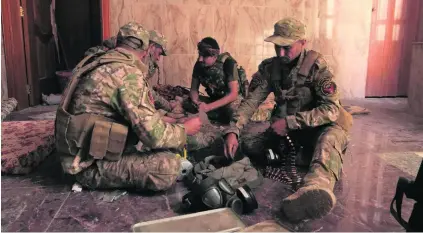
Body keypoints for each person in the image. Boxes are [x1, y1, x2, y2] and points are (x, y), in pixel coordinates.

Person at [55, 22, 214, 192]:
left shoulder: (100, 61)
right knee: (168, 166)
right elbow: (153, 136)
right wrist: (184, 130)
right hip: (86, 165)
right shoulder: (127, 73)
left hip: (78, 151)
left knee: (158, 141)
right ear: (146, 50)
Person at [223, 18, 353, 221]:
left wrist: (291, 122)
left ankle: (314, 189)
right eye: (277, 47)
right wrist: (233, 130)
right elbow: (251, 101)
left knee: (329, 140)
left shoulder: (318, 68)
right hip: (289, 131)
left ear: (303, 42)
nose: (281, 53)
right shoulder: (270, 68)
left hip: (320, 128)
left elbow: (331, 109)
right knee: (249, 146)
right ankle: (305, 156)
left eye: (287, 47)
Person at [188, 37, 249, 124]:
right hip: (214, 99)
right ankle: (217, 114)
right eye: (199, 54)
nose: (200, 59)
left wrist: (208, 107)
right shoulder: (199, 65)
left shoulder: (228, 63)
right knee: (187, 102)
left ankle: (218, 115)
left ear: (215, 56)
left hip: (230, 101)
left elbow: (233, 94)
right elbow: (194, 89)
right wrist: (196, 102)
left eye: (204, 56)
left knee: (234, 112)